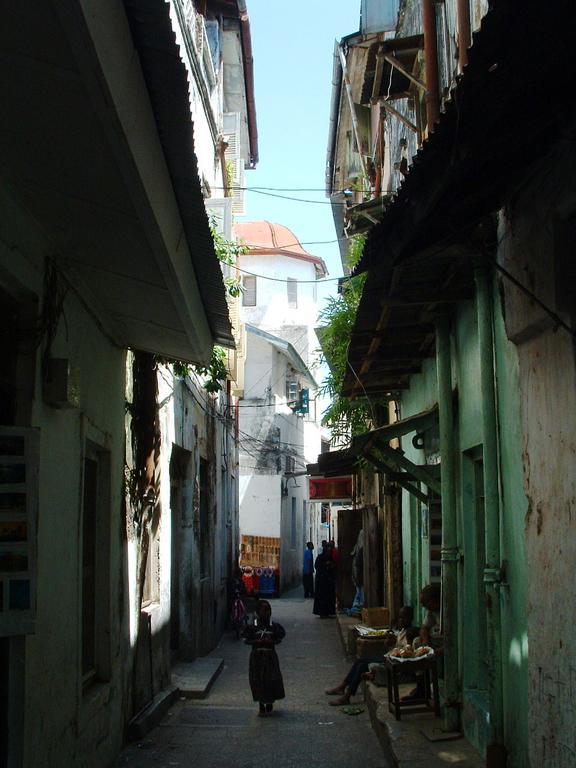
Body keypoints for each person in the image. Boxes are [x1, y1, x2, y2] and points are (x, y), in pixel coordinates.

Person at [324, 606, 416, 706]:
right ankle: (343, 686)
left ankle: (347, 695)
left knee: (362, 666)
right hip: (390, 659)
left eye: (404, 618)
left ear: (410, 619)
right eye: (400, 617)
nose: (401, 620)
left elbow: (406, 653)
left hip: (396, 664)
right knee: (360, 660)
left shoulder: (410, 634)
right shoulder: (402, 631)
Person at [242, 600, 286, 716]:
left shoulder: (274, 626)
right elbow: (246, 639)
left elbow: (279, 638)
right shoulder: (253, 627)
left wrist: (271, 641)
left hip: (270, 656)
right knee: (258, 680)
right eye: (265, 610)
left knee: (271, 679)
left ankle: (270, 701)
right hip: (257, 657)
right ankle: (261, 704)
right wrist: (257, 641)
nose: (268, 612)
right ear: (258, 612)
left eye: (269, 609)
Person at [312, 540, 336, 618]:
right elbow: (317, 567)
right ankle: (322, 613)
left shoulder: (330, 558)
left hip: (328, 581)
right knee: (322, 597)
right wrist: (325, 566)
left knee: (328, 597)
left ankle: (328, 612)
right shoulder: (320, 557)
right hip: (322, 582)